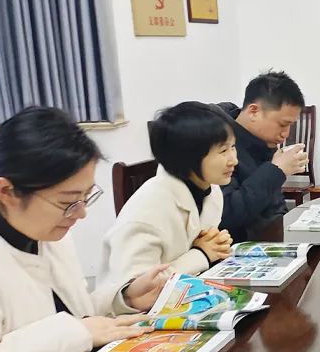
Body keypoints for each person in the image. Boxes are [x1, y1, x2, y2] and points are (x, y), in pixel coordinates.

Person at [0, 107, 168, 352]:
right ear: (7, 191)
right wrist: (79, 332)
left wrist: (124, 297)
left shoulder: (46, 229)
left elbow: (69, 312)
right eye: (68, 202)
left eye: (86, 197)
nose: (81, 213)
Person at [95, 102, 238, 309]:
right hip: (132, 316)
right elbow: (136, 292)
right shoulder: (149, 209)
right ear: (188, 157)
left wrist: (215, 246)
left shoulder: (211, 190)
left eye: (233, 147)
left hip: (187, 297)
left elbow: (203, 246)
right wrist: (202, 254)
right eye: (223, 150)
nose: (233, 160)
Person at [217, 71, 309, 242]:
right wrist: (276, 170)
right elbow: (227, 213)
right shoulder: (219, 144)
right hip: (238, 246)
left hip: (272, 238)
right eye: (282, 124)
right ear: (254, 111)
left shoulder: (262, 140)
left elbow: (274, 206)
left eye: (290, 125)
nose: (286, 134)